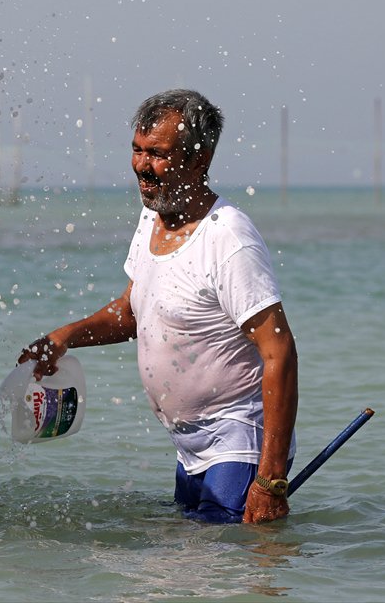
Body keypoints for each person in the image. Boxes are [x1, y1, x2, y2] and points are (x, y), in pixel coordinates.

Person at [19, 89, 298, 524]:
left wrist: (271, 480)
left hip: (238, 441)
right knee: (190, 567)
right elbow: (135, 311)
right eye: (137, 150)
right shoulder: (154, 215)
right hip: (188, 447)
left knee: (226, 566)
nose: (142, 167)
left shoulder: (228, 239)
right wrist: (64, 337)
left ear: (199, 160)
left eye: (158, 155)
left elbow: (279, 352)